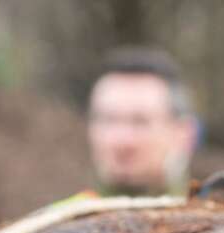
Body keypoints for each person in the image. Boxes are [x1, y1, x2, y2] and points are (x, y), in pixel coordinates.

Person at [85, 47, 199, 197]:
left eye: (140, 122)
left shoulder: (223, 218)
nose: (122, 140)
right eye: (108, 120)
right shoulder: (55, 218)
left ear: (184, 134)